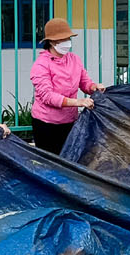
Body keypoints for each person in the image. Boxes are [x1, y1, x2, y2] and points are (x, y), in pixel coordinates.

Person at [29, 17, 105, 155]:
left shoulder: (74, 59)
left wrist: (94, 87)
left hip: (70, 121)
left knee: (69, 159)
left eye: (68, 38)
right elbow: (47, 96)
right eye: (62, 39)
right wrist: (77, 102)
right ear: (51, 42)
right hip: (46, 124)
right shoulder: (41, 65)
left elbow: (84, 82)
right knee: (50, 161)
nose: (67, 42)